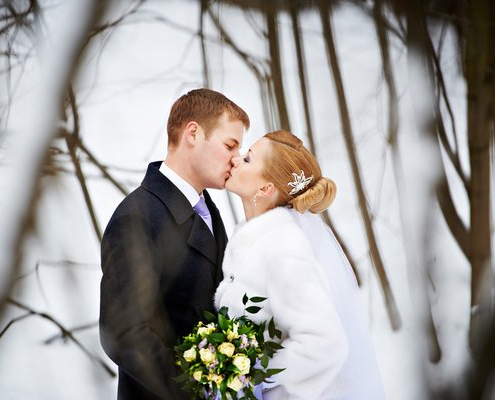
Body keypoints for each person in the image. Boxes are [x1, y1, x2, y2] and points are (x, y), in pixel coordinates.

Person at [99, 88, 250, 400]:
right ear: (193, 133)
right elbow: (124, 333)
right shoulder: (137, 217)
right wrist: (197, 388)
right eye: (230, 145)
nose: (236, 160)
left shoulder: (207, 209)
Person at [214, 130, 385, 399]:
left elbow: (324, 343)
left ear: (266, 188)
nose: (235, 159)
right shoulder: (254, 240)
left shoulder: (281, 247)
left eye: (247, 159)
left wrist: (254, 374)